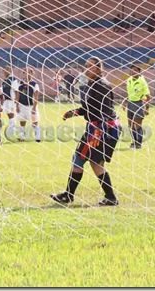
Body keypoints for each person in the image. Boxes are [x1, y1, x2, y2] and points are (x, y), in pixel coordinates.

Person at [51, 57, 120, 206]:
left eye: (90, 66)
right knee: (94, 162)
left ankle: (68, 195)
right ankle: (110, 197)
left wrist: (97, 128)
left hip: (101, 128)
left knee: (81, 158)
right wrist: (73, 112)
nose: (86, 68)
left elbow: (99, 110)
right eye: (86, 66)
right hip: (103, 127)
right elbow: (90, 108)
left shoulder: (100, 85)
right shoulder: (93, 84)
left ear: (98, 68)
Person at [121, 63, 151, 149]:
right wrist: (125, 102)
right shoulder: (129, 80)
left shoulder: (142, 82)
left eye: (135, 70)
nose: (133, 72)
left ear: (139, 71)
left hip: (139, 104)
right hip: (130, 104)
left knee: (137, 125)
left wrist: (147, 108)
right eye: (132, 70)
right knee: (130, 125)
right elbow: (130, 93)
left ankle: (138, 143)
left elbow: (148, 96)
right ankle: (134, 142)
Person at [15, 67, 41, 142]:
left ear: (31, 73)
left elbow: (36, 96)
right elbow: (18, 94)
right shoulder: (20, 83)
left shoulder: (34, 84)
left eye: (28, 72)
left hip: (31, 106)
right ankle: (21, 136)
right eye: (24, 72)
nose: (26, 73)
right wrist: (17, 105)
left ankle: (37, 137)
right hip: (22, 105)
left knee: (34, 122)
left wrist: (34, 108)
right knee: (22, 121)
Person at [0, 66, 20, 136]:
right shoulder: (4, 81)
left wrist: (16, 102)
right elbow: (2, 93)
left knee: (12, 115)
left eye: (7, 70)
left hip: (12, 101)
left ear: (10, 71)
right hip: (6, 101)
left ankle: (11, 132)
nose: (6, 71)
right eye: (4, 70)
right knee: (9, 116)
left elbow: (16, 91)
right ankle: (14, 130)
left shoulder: (12, 79)